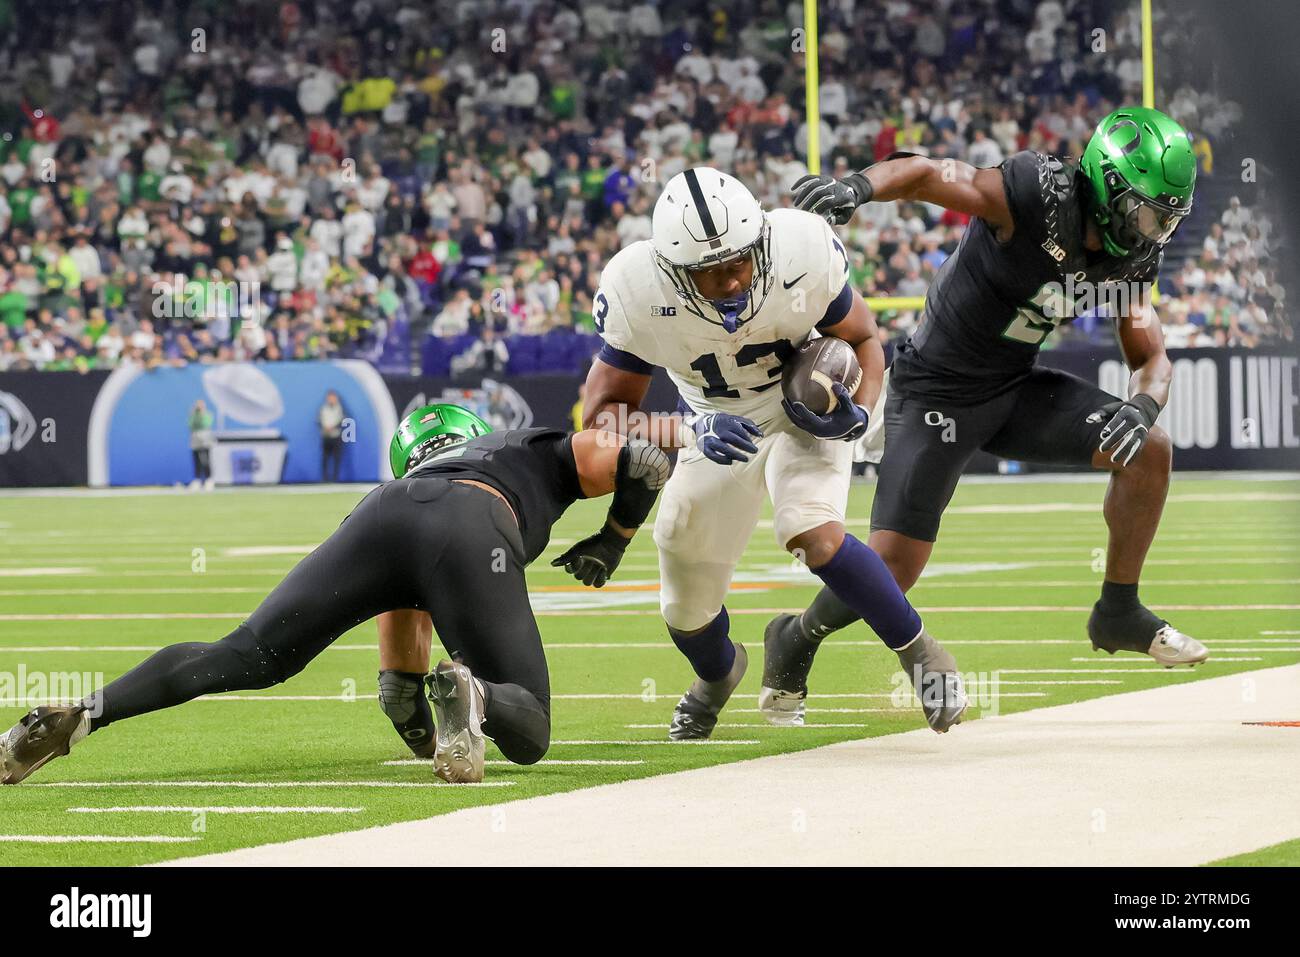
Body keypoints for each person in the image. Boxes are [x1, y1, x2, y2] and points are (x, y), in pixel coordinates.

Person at [773, 105, 1209, 709]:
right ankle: (795, 636)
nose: (1152, 231)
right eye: (1146, 211)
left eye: (1166, 219)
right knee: (893, 571)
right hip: (935, 390)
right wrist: (856, 188)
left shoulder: (1130, 256)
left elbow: (1151, 355)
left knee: (1148, 450)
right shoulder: (1038, 194)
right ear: (1107, 184)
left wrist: (1142, 405)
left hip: (1011, 387)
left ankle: (1118, 608)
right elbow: (928, 173)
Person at [0, 404, 671, 785]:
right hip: (475, 517)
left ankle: (84, 714)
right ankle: (481, 692)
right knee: (531, 731)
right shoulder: (520, 446)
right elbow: (644, 459)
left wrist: (430, 729)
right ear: (473, 430)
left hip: (374, 521)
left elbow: (397, 693)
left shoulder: (397, 488)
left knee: (247, 653)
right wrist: (611, 539)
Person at [581, 167, 967, 738]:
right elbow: (603, 416)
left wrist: (857, 410)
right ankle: (716, 677)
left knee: (813, 530)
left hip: (803, 404)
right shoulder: (637, 291)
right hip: (714, 426)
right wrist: (688, 431)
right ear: (671, 271)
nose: (732, 281)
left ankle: (920, 652)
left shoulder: (800, 249)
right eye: (709, 273)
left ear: (760, 241)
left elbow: (864, 339)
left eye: (740, 261)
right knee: (685, 607)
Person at [188, 398, 215, 491]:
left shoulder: (207, 414)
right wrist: (193, 414)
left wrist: (202, 414)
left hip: (205, 440)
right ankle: (197, 480)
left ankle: (208, 480)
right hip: (195, 440)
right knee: (197, 461)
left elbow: (205, 424)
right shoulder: (193, 415)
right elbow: (190, 425)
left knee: (205, 460)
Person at [318, 389, 344, 482]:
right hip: (326, 436)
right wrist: (325, 427)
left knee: (336, 458)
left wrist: (333, 427)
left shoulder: (339, 409)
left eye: (333, 397)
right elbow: (319, 420)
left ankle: (335, 479)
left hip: (336, 436)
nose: (331, 399)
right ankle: (325, 479)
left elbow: (342, 421)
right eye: (330, 397)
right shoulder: (323, 408)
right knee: (325, 458)